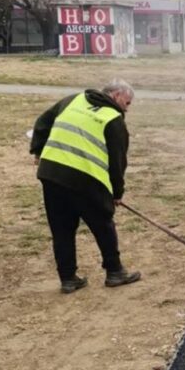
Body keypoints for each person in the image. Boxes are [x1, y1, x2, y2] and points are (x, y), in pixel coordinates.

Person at [30, 78, 141, 294]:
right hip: (85, 180)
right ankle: (115, 272)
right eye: (127, 103)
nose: (127, 109)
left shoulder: (74, 100)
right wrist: (116, 193)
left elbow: (43, 121)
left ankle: (68, 279)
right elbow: (117, 162)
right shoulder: (113, 119)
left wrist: (38, 150)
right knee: (103, 224)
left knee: (61, 229)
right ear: (117, 96)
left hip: (52, 174)